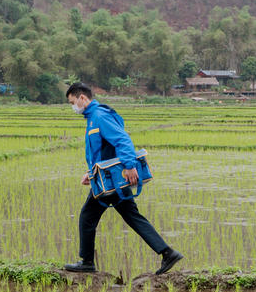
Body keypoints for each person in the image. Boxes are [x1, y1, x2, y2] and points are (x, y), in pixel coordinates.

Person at [63, 82, 183, 275]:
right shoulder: (93, 118)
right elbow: (101, 151)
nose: (73, 107)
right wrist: (90, 172)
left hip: (112, 181)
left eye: (72, 102)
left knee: (87, 217)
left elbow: (122, 140)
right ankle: (167, 253)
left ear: (82, 98)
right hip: (108, 179)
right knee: (131, 217)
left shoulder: (99, 116)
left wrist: (129, 166)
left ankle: (86, 262)